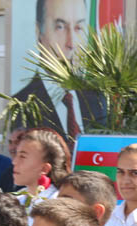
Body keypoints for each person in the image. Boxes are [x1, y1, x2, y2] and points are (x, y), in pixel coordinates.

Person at [10, 0, 106, 140]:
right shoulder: (22, 104)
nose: (71, 43)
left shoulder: (96, 98)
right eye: (60, 27)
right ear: (38, 33)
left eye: (79, 28)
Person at [10, 129, 69, 226]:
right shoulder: (15, 200)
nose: (14, 162)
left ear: (44, 168)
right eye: (16, 155)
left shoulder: (58, 204)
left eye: (23, 157)